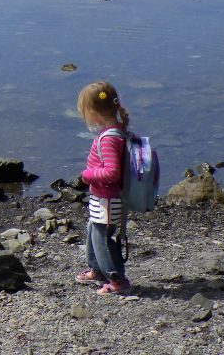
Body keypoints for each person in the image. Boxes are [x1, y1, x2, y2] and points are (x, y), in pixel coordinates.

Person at [76, 79, 132, 295]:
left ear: (92, 112)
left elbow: (112, 172)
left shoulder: (108, 139)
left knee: (103, 239)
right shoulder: (116, 131)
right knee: (93, 229)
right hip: (103, 197)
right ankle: (97, 270)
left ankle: (116, 278)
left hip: (108, 198)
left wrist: (87, 175)